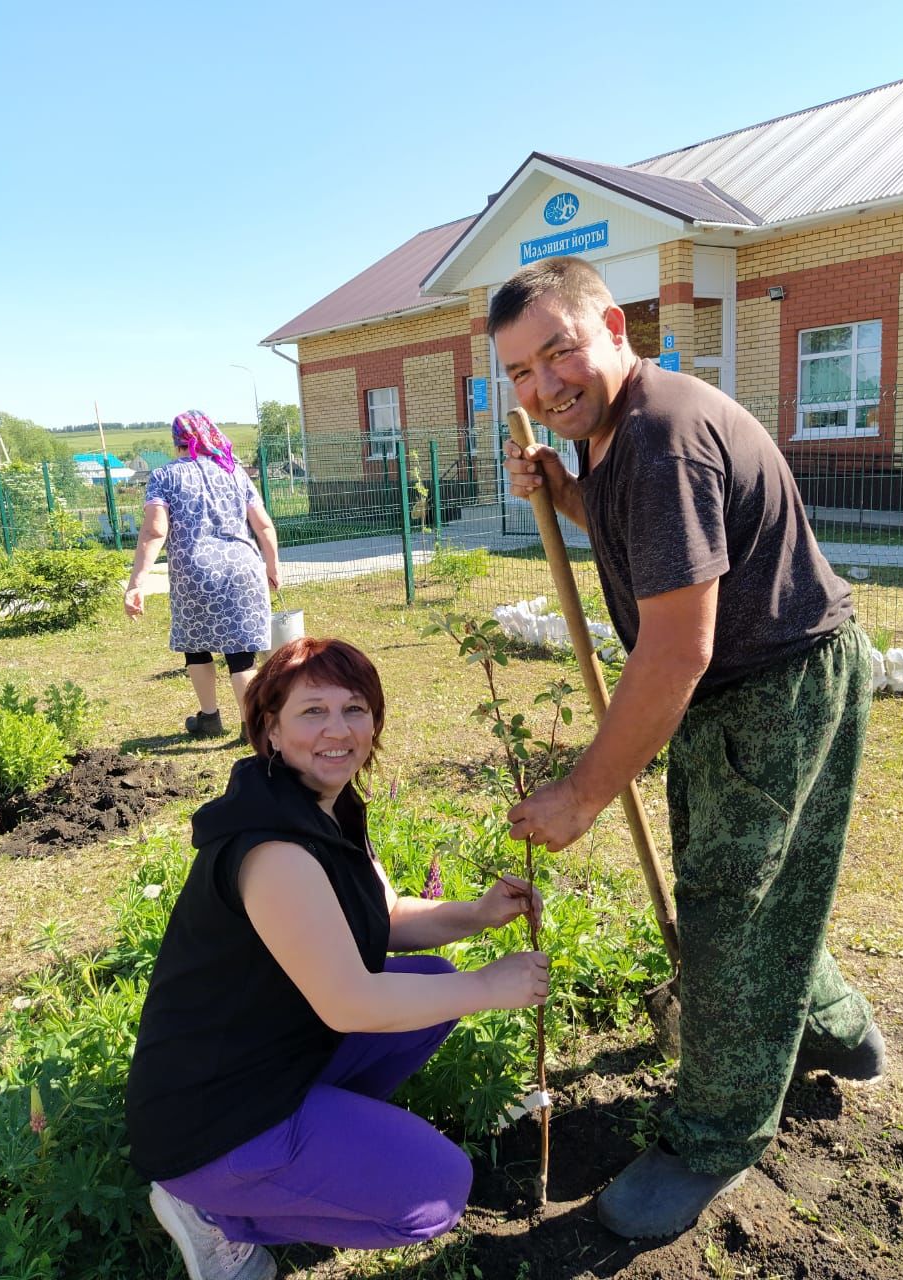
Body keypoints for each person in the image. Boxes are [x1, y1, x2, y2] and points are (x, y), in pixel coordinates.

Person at [491, 256, 882, 1239]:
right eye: (520, 375)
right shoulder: (619, 432)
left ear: (611, 324)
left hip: (777, 682)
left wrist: (581, 793)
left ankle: (712, 1137)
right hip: (733, 687)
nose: (544, 387)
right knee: (753, 889)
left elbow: (675, 644)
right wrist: (564, 491)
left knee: (733, 908)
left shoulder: (665, 437)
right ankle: (839, 1029)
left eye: (559, 352)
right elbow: (651, 535)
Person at [125, 636, 549, 1280]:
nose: (338, 729)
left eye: (355, 709)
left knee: (429, 982)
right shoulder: (275, 853)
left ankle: (302, 1152)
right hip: (207, 1119)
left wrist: (475, 914)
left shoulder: (322, 804)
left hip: (260, 1061)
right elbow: (350, 1000)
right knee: (436, 1193)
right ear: (269, 728)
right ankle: (212, 1211)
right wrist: (488, 984)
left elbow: (379, 918)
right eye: (312, 711)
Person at [123, 410, 281, 741]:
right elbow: (263, 524)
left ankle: (209, 719)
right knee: (241, 655)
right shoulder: (235, 471)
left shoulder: (164, 476)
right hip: (243, 569)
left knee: (196, 648)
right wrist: (272, 565)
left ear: (177, 440)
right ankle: (250, 729)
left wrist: (136, 582)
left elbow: (154, 532)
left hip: (195, 572)